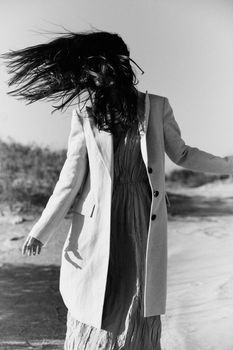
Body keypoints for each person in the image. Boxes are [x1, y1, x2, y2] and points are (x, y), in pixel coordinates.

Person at [2, 30, 233, 350]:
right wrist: (41, 230)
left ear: (107, 65)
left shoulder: (156, 107)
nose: (89, 76)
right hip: (98, 222)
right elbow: (69, 181)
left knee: (137, 296)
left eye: (92, 68)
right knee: (99, 298)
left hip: (141, 215)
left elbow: (182, 154)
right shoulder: (84, 115)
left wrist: (228, 164)